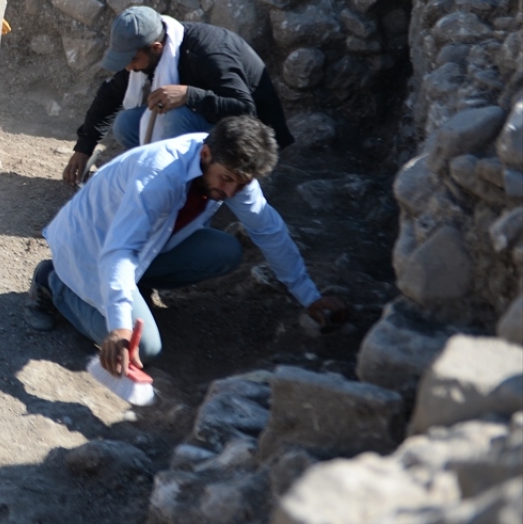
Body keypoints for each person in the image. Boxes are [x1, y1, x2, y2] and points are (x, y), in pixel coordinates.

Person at [32, 116, 348, 378]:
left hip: (143, 249)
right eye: (225, 179)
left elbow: (269, 230)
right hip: (92, 249)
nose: (230, 191)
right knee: (143, 349)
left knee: (224, 252)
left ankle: (134, 288)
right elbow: (119, 252)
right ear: (206, 154)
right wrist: (118, 327)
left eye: (240, 183)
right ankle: (53, 281)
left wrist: (310, 296)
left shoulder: (233, 173)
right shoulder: (160, 175)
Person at [61, 6, 295, 186]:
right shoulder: (149, 55)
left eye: (132, 60)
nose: (129, 69)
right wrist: (83, 149)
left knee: (177, 118)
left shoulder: (208, 51)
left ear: (156, 47)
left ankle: (177, 191)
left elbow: (245, 111)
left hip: (252, 144)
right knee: (126, 123)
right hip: (209, 126)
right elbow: (109, 96)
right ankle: (161, 177)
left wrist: (189, 95)